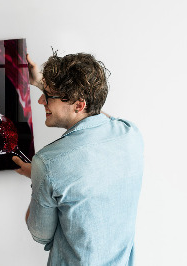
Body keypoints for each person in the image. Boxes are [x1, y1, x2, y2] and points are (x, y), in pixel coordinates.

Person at [12, 51, 144, 265]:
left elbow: (40, 235)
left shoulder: (47, 163)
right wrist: (41, 83)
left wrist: (39, 177)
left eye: (48, 96)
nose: (40, 100)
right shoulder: (130, 134)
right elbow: (98, 114)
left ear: (79, 105)